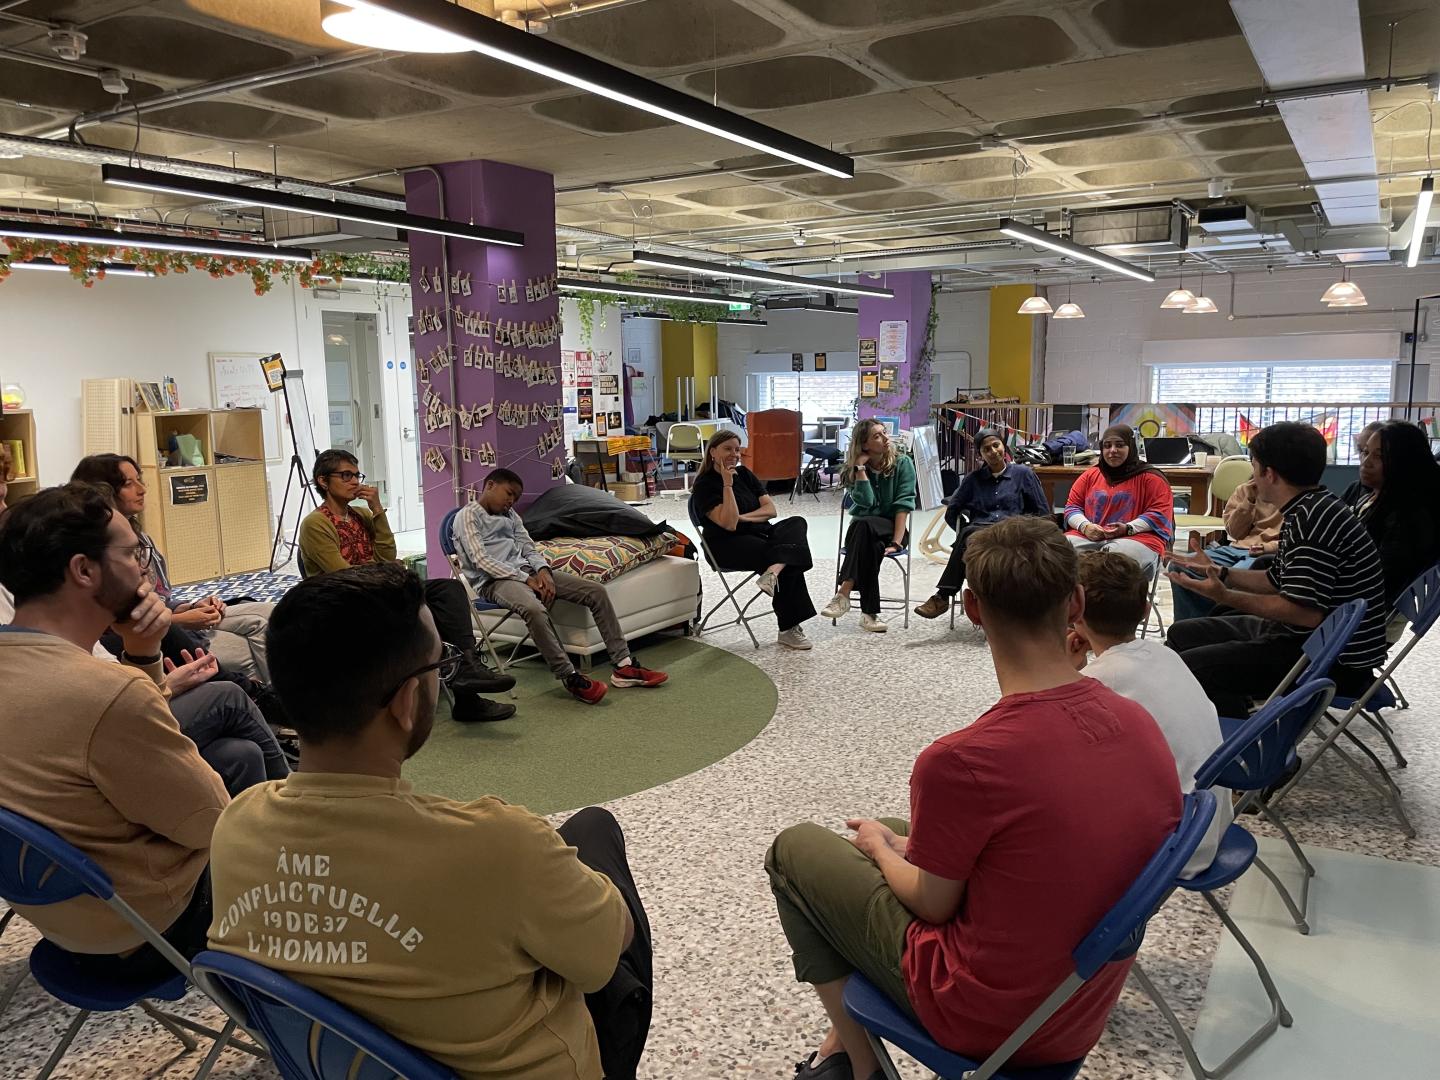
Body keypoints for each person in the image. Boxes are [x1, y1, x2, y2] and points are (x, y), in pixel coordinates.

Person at [767, 517, 1180, 1080]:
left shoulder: (962, 760)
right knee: (899, 828)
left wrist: (882, 850)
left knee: (796, 851)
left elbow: (934, 906)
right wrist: (893, 844)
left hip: (989, 1015)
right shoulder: (1137, 721)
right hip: (1078, 1000)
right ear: (1077, 602)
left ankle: (858, 1067)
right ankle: (836, 1051)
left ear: (974, 609)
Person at [207, 564, 653, 1080]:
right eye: (441, 665)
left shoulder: (236, 823)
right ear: (404, 701)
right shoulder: (497, 843)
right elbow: (605, 955)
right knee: (596, 835)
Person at [0, 484, 229, 977]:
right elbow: (210, 820)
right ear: (84, 570)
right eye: (132, 552)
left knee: (234, 753)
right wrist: (142, 660)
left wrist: (143, 655)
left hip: (55, 917)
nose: (143, 567)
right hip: (144, 929)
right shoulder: (105, 690)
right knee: (295, 854)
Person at [1167, 421, 1389, 718]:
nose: (1253, 477)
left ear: (1269, 474)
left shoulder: (1312, 522)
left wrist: (1226, 595)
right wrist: (1222, 573)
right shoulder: (1312, 507)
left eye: (1254, 467)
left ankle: (1252, 739)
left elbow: (1304, 613)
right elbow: (1277, 580)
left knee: (1185, 669)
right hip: (1314, 641)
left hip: (1327, 658)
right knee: (1182, 634)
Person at [298, 448, 516, 723]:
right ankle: (465, 691)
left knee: (448, 591)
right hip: (345, 602)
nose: (355, 481)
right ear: (323, 481)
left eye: (356, 474)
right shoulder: (315, 524)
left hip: (380, 591)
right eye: (345, 475)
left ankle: (467, 672)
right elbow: (341, 575)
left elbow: (387, 554)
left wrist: (377, 510)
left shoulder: (362, 516)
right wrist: (385, 570)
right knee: (423, 610)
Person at [1068, 551, 1231, 876]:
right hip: (1212, 820)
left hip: (1176, 845)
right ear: (1144, 611)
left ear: (1074, 615)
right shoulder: (1165, 654)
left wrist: (1065, 673)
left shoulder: (1097, 683)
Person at [452, 468, 668, 704]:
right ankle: (570, 676)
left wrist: (543, 572)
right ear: (490, 485)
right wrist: (528, 580)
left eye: (515, 498)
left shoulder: (511, 515)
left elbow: (528, 547)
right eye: (509, 494)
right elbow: (482, 562)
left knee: (595, 591)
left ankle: (623, 666)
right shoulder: (467, 516)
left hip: (527, 571)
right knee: (534, 609)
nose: (511, 501)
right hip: (494, 581)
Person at [71, 453, 276, 682]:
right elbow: (121, 622)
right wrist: (181, 619)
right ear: (103, 495)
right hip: (163, 632)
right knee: (253, 642)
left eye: (140, 480)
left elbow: (162, 597)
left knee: (269, 614)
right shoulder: (101, 557)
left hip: (174, 621)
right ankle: (276, 701)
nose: (142, 489)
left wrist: (191, 605)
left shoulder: (141, 538)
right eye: (129, 484)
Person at [690, 429, 817, 650]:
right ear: (712, 452)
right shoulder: (704, 484)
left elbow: (771, 510)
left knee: (796, 523)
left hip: (758, 533)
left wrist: (742, 518)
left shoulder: (745, 475)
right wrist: (727, 484)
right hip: (725, 543)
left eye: (737, 449)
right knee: (785, 555)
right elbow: (728, 524)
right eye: (727, 449)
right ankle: (788, 628)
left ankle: (772, 573)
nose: (734, 454)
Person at [914, 427, 1048, 620]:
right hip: (979, 534)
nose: (993, 452)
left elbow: (1041, 510)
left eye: (996, 445)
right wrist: (959, 531)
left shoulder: (1023, 474)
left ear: (1004, 446)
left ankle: (942, 597)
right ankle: (954, 599)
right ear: (981, 455)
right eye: (987, 449)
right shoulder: (973, 480)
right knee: (968, 534)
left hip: (1012, 533)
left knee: (968, 536)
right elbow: (952, 511)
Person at [820, 420, 918, 633]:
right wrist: (861, 470)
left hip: (893, 530)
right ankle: (869, 614)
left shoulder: (903, 463)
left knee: (863, 526)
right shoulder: (853, 470)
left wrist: (897, 542)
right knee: (870, 547)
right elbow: (867, 502)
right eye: (877, 436)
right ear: (864, 445)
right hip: (863, 534)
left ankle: (843, 593)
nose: (885, 439)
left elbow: (903, 505)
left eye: (884, 433)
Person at [1349, 420, 1440, 612]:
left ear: (1403, 462)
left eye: (1379, 456)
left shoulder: (1408, 517)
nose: (1366, 462)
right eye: (1365, 452)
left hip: (1359, 615)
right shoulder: (1370, 496)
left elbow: (1378, 581)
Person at [1064, 423, 1174, 573]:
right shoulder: (1089, 475)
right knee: (1057, 554)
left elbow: (1159, 513)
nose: (1112, 450)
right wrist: (1085, 526)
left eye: (1120, 445)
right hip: (1087, 535)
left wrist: (1128, 528)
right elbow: (1072, 508)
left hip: (1138, 537)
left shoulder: (1152, 478)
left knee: (1116, 565)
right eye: (1107, 446)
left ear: (1131, 447)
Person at [1169, 478, 1282, 622]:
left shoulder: (1290, 493)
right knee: (1179, 567)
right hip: (1236, 548)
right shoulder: (1245, 489)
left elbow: (1293, 540)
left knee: (1233, 577)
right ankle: (1189, 629)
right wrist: (1249, 500)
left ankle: (1215, 628)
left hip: (1268, 552)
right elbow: (1234, 533)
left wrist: (1267, 547)